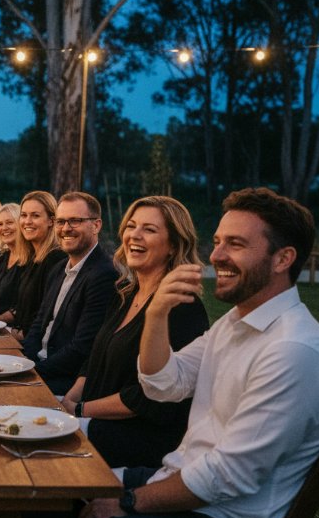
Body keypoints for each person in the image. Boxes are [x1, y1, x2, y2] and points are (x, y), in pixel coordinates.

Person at [80, 188, 319, 518]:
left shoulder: (293, 351)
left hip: (218, 514)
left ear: (283, 259)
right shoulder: (233, 325)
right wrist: (157, 314)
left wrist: (129, 502)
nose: (216, 255)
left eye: (235, 244)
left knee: (80, 501)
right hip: (180, 480)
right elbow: (163, 385)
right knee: (65, 479)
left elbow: (228, 476)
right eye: (218, 241)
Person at [60, 196, 209, 469]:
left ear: (174, 245)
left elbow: (148, 398)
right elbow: (94, 357)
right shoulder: (125, 295)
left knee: (42, 447)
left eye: (149, 230)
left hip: (138, 440)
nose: (134, 236)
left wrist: (80, 411)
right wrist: (70, 398)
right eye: (131, 226)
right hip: (91, 416)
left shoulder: (181, 307)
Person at [21, 191, 118, 396]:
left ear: (96, 225)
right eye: (61, 221)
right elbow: (39, 324)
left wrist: (32, 372)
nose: (66, 229)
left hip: (65, 383)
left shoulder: (104, 274)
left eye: (75, 221)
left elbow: (82, 347)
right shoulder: (59, 268)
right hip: (39, 367)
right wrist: (24, 362)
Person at [9, 191, 65, 338]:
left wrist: (22, 335)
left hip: (33, 348)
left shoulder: (56, 259)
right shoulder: (32, 257)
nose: (27, 221)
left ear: (51, 221)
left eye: (35, 216)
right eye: (24, 215)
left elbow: (49, 315)